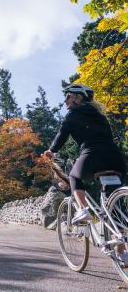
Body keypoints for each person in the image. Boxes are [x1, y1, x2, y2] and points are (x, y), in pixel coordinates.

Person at [44, 84, 126, 225]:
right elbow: (109, 138)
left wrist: (51, 151)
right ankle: (119, 244)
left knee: (74, 176)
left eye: (68, 96)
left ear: (78, 97)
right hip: (117, 159)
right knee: (112, 205)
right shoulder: (101, 117)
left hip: (92, 156)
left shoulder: (72, 115)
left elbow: (61, 136)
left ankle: (83, 210)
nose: (65, 100)